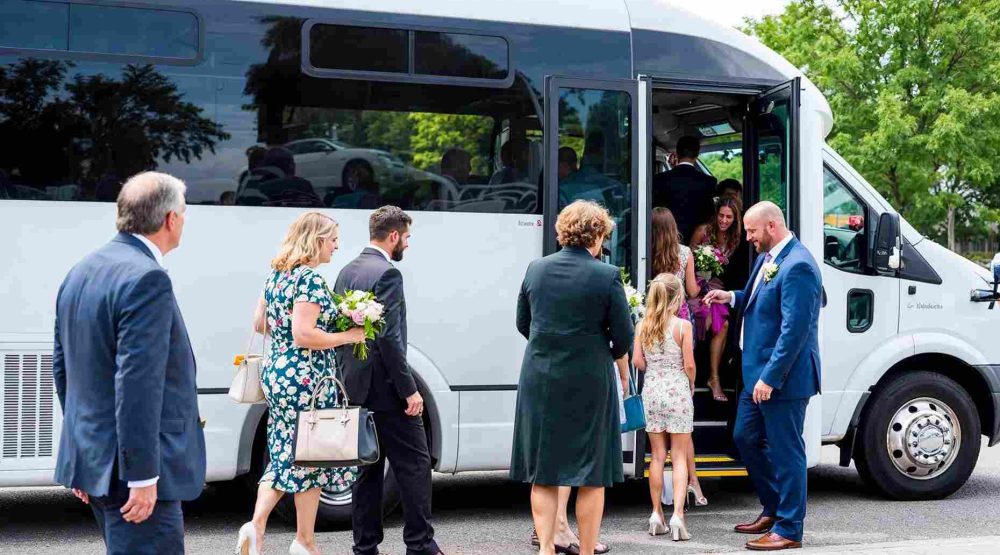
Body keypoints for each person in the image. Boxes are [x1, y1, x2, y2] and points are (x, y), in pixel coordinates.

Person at [53, 172, 206, 554]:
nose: (184, 221)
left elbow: (64, 366)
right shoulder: (147, 278)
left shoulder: (81, 270)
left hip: (98, 462)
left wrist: (85, 452)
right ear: (170, 219)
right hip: (134, 474)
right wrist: (142, 476)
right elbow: (138, 383)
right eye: (184, 213)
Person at [236, 212, 366, 555]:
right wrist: (348, 335)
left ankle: (256, 526)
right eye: (333, 239)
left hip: (278, 373)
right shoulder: (308, 279)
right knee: (310, 454)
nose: (336, 246)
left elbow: (259, 323)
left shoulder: (276, 276)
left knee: (283, 451)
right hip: (306, 377)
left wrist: (287, 337)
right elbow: (304, 334)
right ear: (317, 240)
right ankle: (304, 541)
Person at [510, 200, 634, 555]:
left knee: (545, 470)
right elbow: (624, 337)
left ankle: (547, 549)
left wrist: (551, 346)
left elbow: (524, 323)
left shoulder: (536, 269)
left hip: (541, 377)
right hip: (589, 380)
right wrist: (598, 349)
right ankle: (587, 550)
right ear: (596, 234)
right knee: (592, 474)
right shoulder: (606, 275)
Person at [704, 201, 822, 551]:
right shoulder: (768, 259)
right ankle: (773, 507)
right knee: (745, 437)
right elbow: (759, 299)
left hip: (781, 379)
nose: (748, 238)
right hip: (757, 373)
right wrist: (732, 296)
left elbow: (794, 331)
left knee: (787, 452)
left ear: (771, 226)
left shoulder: (799, 265)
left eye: (752, 231)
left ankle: (789, 529)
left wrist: (770, 377)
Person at [334, 206, 443, 555]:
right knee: (414, 465)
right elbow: (390, 340)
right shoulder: (388, 274)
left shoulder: (345, 272)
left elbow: (338, 330)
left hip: (355, 387)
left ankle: (364, 547)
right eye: (407, 237)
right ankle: (420, 543)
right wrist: (409, 390)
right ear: (393, 235)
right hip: (388, 392)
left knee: (367, 470)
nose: (407, 244)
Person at [633, 273, 696, 541]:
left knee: (657, 456)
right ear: (676, 296)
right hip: (677, 391)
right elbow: (689, 364)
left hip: (653, 392)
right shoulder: (682, 326)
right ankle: (678, 516)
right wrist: (690, 384)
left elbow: (637, 361)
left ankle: (656, 514)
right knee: (679, 457)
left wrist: (655, 372)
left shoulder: (642, 325)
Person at [689, 197, 744, 402]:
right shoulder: (703, 231)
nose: (724, 220)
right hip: (696, 285)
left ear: (735, 218)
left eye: (729, 217)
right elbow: (687, 260)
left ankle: (714, 377)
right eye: (721, 215)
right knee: (702, 317)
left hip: (718, 288)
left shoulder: (736, 238)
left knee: (724, 324)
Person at [651, 136, 717, 245]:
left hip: (665, 241)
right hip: (696, 243)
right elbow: (709, 216)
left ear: (677, 153)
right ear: (697, 155)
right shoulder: (709, 182)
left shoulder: (660, 179)